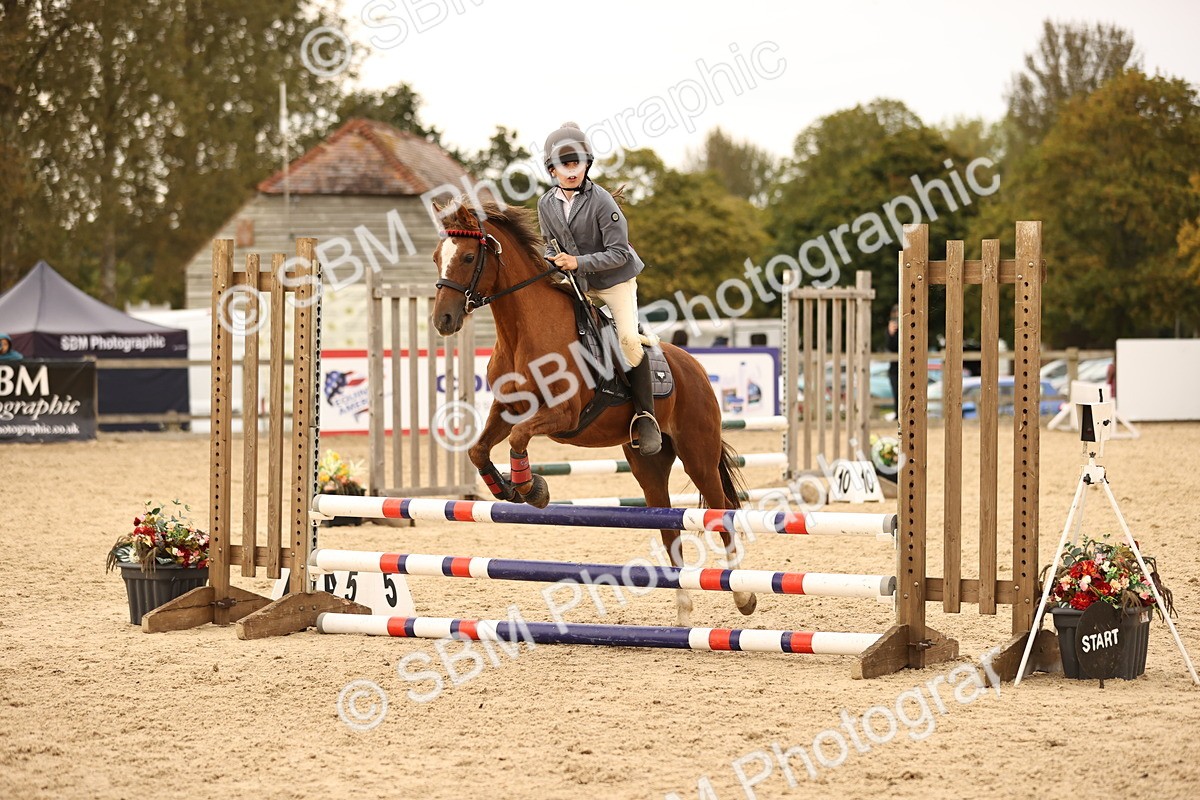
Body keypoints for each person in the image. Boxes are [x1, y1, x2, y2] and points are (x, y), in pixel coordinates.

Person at [537, 121, 661, 456]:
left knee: (628, 340)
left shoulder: (603, 201)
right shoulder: (546, 204)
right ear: (552, 170)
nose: (571, 170)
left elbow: (620, 253)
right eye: (564, 164)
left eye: (576, 163)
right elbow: (549, 245)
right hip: (579, 282)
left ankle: (646, 417)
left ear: (586, 165)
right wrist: (551, 262)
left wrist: (576, 263)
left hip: (614, 281)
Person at [885, 306, 899, 420]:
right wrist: (891, 333)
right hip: (895, 368)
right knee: (896, 393)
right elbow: (890, 347)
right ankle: (897, 414)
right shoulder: (891, 329)